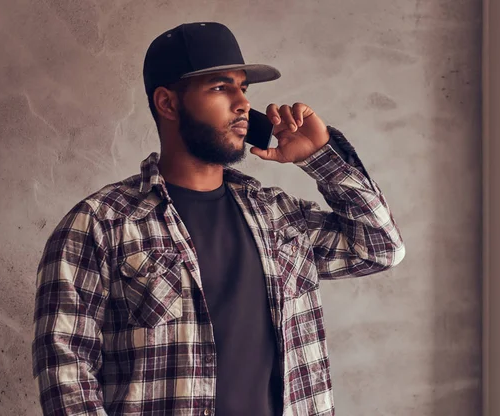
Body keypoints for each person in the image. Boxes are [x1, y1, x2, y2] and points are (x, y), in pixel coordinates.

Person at [31, 22, 405, 416]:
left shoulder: (277, 216)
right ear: (168, 103)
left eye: (243, 88)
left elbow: (381, 248)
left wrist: (320, 156)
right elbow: (66, 376)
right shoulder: (98, 225)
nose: (242, 103)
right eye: (220, 87)